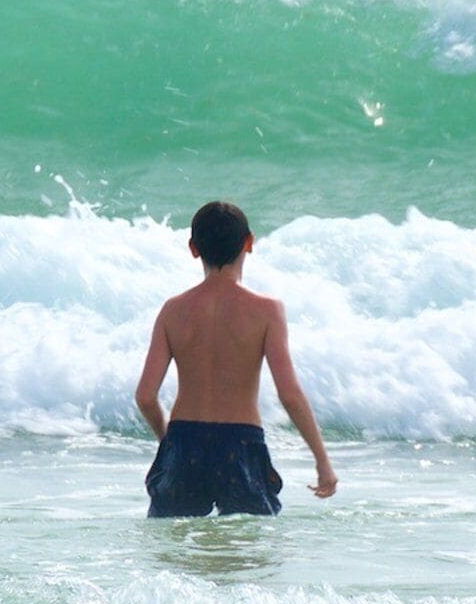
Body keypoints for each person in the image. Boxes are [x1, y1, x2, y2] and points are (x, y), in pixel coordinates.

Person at [132, 200, 339, 516]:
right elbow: (290, 395)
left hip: (184, 441)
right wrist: (322, 461)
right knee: (248, 555)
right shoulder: (267, 311)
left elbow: (146, 396)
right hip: (240, 446)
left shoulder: (172, 311)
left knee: (175, 556)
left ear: (193, 248)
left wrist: (168, 442)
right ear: (249, 243)